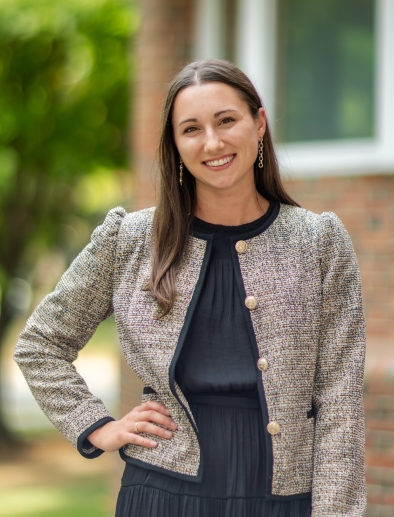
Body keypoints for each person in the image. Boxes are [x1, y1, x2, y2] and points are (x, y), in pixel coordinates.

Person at [14, 59, 366, 517]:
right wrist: (97, 426)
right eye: (191, 129)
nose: (213, 143)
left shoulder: (319, 243)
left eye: (226, 121)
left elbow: (340, 398)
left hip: (283, 496)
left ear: (258, 124)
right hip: (161, 494)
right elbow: (41, 343)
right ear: (175, 145)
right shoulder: (130, 240)